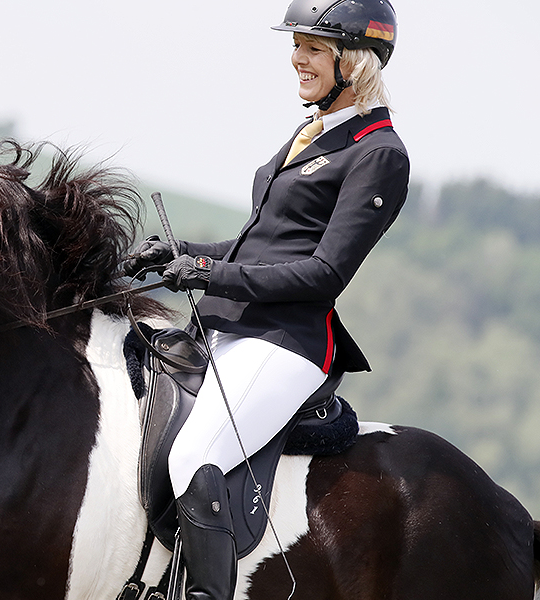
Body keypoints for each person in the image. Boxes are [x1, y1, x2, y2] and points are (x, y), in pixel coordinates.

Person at [123, 1, 408, 598]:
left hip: (286, 341)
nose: (296, 59)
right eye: (296, 45)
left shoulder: (377, 155)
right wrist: (178, 251)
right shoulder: (315, 131)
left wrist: (203, 272)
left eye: (311, 48)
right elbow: (260, 245)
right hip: (235, 326)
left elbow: (321, 273)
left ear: (351, 62)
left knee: (194, 456)